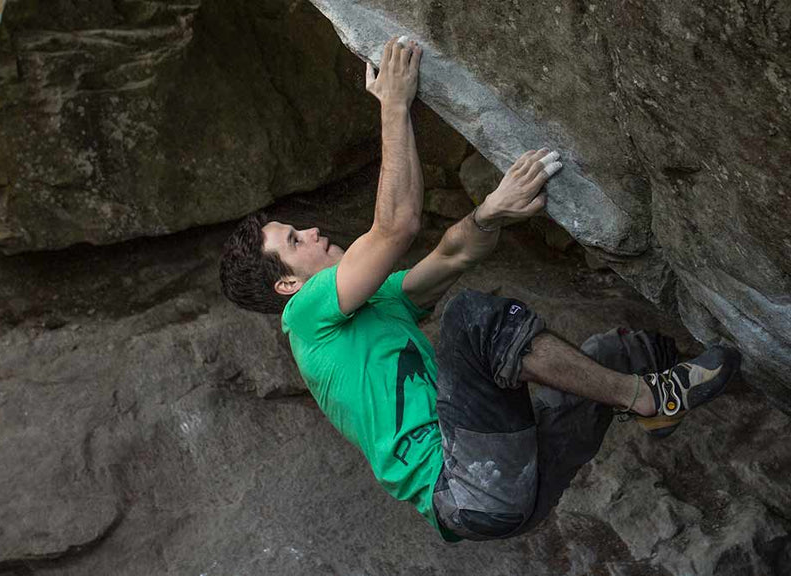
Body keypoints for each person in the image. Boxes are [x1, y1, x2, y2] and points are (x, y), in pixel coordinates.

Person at [219, 36, 740, 542]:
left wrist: (490, 211)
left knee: (621, 351)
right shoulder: (306, 319)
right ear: (288, 282)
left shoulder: (373, 304)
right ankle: (652, 399)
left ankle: (693, 380)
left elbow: (452, 255)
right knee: (471, 317)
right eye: (294, 239)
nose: (310, 231)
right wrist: (394, 106)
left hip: (518, 478)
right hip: (467, 488)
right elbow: (395, 227)